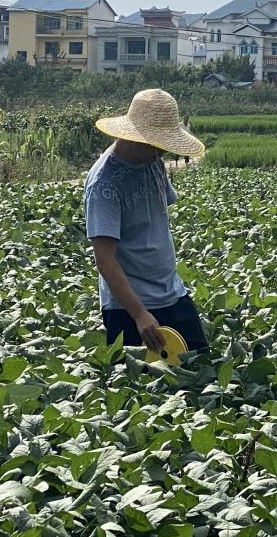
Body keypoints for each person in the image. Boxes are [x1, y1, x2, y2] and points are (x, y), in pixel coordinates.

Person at [85, 89, 208, 354]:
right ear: (136, 137)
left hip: (171, 291)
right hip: (130, 307)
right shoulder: (104, 184)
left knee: (199, 364)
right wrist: (139, 314)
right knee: (139, 386)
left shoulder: (153, 161)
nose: (161, 151)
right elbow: (104, 259)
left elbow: (157, 218)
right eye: (157, 144)